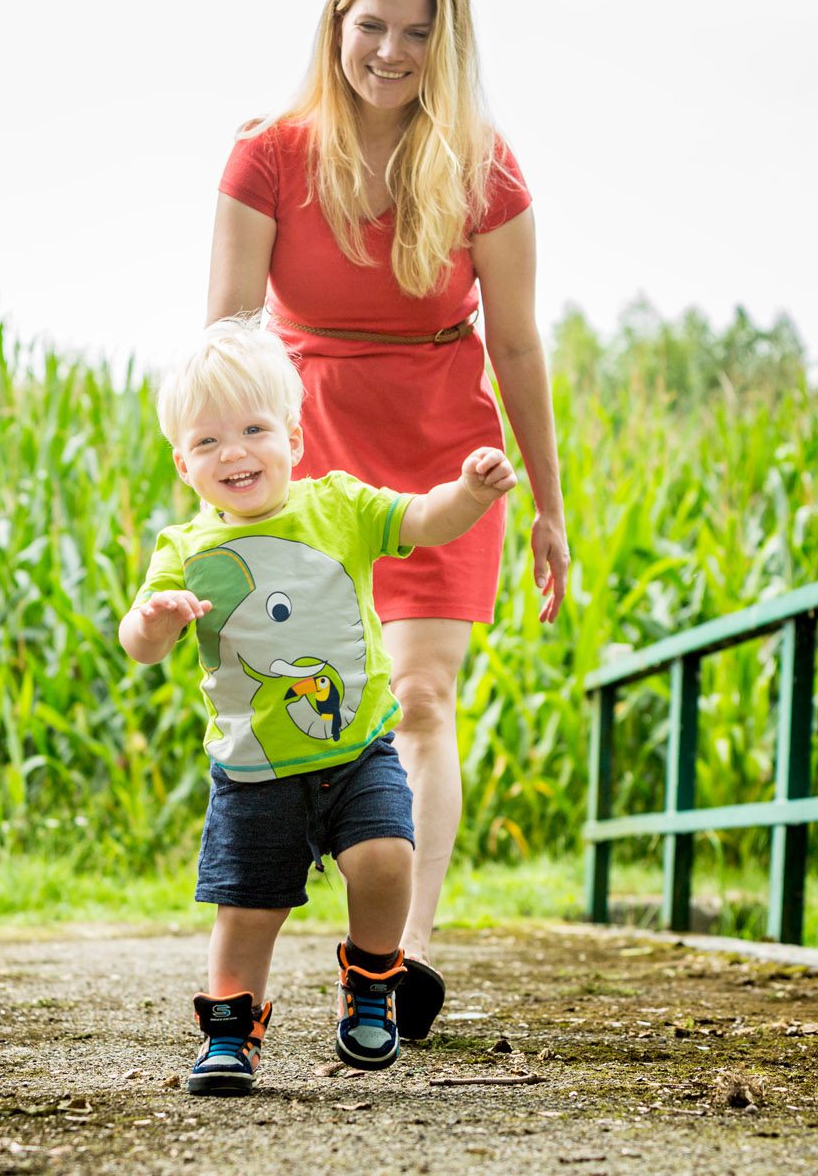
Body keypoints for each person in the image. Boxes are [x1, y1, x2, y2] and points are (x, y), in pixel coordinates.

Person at [205, 0, 569, 1040]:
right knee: (302, 704)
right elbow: (224, 335)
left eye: (416, 32)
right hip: (306, 449)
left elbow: (515, 347)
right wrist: (225, 484)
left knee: (419, 699)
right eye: (371, 26)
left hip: (441, 447)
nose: (389, 51)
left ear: (443, 42)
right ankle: (264, 939)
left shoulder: (483, 165)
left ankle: (398, 957)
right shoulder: (265, 154)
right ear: (336, 26)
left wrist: (548, 509)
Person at [120, 317, 520, 1095]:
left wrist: (469, 492)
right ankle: (231, 1032)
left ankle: (372, 980)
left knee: (386, 859)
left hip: (356, 750)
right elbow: (138, 639)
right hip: (255, 769)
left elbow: (422, 520)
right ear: (183, 463)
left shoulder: (337, 506)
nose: (233, 452)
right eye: (207, 442)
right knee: (247, 909)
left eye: (253, 429)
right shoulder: (185, 548)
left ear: (294, 438)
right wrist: (157, 619)